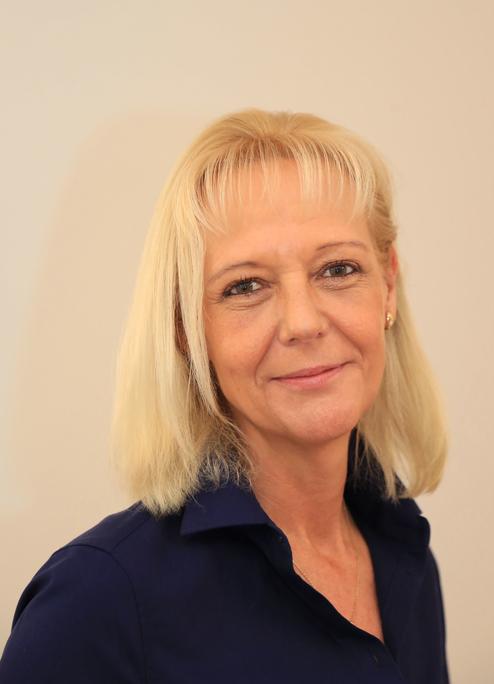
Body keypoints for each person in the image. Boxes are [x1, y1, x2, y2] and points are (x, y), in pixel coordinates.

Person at [0, 108, 450, 683]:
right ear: (187, 328)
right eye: (246, 285)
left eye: (338, 269)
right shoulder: (98, 601)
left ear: (387, 285)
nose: (303, 322)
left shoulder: (404, 553)